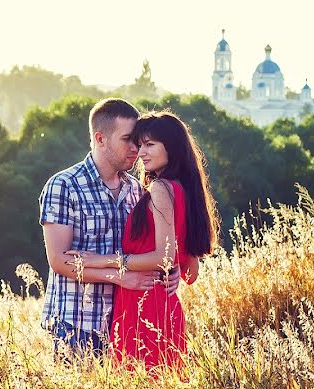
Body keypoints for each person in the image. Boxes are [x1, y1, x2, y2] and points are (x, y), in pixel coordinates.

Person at [65, 111, 219, 370]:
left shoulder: (160, 189)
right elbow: (188, 269)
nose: (140, 152)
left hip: (144, 306)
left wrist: (102, 261)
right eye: (139, 144)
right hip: (157, 303)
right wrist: (177, 263)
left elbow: (164, 256)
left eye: (150, 145)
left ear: (171, 148)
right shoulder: (181, 187)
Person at [38, 98, 179, 356]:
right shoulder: (64, 185)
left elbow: (151, 247)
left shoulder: (138, 189)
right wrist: (119, 277)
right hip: (75, 324)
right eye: (127, 139)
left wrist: (171, 269)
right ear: (100, 139)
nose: (135, 148)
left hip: (124, 325)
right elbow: (59, 261)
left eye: (138, 140)